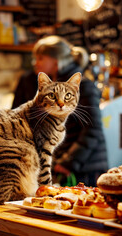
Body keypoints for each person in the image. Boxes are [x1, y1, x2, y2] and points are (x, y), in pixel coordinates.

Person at [12, 35, 108, 187]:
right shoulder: (48, 85)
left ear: (55, 61)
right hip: (63, 165)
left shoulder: (83, 86)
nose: (35, 63)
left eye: (40, 58)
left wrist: (68, 162)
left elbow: (93, 130)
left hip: (84, 168)